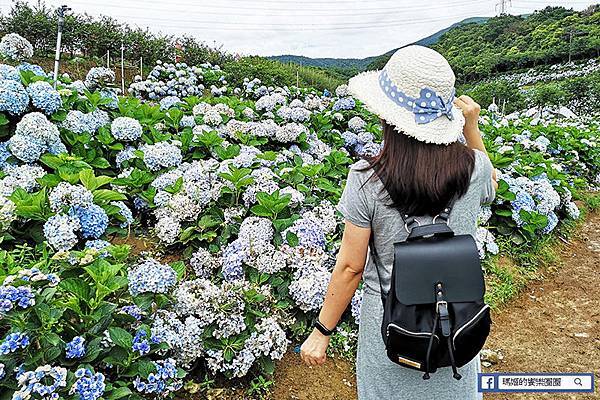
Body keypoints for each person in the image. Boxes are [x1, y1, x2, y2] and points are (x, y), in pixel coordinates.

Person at [300, 45, 498, 400]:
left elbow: (349, 268)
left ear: (387, 115)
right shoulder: (476, 167)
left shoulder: (366, 178)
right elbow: (491, 185)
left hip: (393, 328)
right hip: (458, 324)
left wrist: (322, 330)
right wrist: (471, 126)